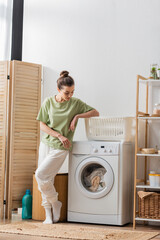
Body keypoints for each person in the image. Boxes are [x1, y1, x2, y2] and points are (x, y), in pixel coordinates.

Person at [35, 70, 99, 224]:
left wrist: (77, 116)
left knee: (40, 175)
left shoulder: (75, 103)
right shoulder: (48, 102)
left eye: (72, 92)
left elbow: (95, 112)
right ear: (58, 90)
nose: (70, 96)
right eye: (66, 93)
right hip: (46, 143)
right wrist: (59, 135)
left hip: (61, 147)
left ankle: (56, 203)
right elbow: (42, 125)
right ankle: (49, 213)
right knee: (46, 179)